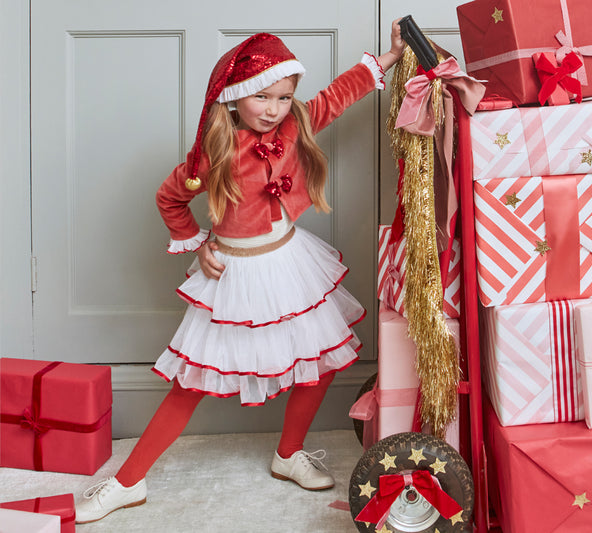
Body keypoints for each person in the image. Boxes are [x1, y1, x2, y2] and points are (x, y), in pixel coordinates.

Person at [75, 22, 405, 524]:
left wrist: (389, 57)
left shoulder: (296, 124)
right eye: (261, 97)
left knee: (323, 358)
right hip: (236, 274)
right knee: (192, 383)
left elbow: (339, 95)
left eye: (283, 96)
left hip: (290, 264)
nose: (273, 109)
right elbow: (170, 198)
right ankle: (128, 482)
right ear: (233, 98)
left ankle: (288, 452)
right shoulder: (213, 152)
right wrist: (196, 241)